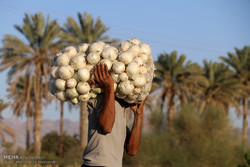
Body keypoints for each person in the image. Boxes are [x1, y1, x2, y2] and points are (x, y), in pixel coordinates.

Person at [81, 63, 147, 167]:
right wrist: (109, 87)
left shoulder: (121, 108)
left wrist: (139, 114)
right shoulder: (99, 98)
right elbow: (107, 127)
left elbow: (132, 150)